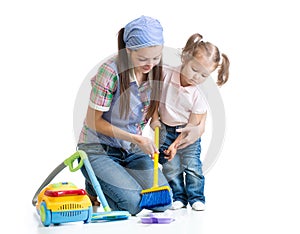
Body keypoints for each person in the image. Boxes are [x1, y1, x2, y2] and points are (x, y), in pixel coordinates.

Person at [77, 16, 172, 215]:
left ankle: (107, 180)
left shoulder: (155, 72)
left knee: (163, 202)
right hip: (99, 149)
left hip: (131, 150)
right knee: (133, 204)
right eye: (143, 59)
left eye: (156, 58)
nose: (150, 64)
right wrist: (136, 138)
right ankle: (94, 183)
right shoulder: (110, 72)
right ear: (128, 50)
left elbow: (151, 110)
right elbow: (93, 121)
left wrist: (155, 122)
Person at [150, 33, 230, 211]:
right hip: (165, 128)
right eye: (194, 69)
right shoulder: (166, 74)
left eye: (204, 75)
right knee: (170, 166)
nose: (197, 77)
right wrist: (154, 119)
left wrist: (177, 144)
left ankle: (196, 197)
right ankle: (178, 196)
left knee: (192, 165)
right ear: (186, 58)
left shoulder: (201, 91)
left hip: (186, 131)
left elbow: (193, 124)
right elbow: (154, 99)